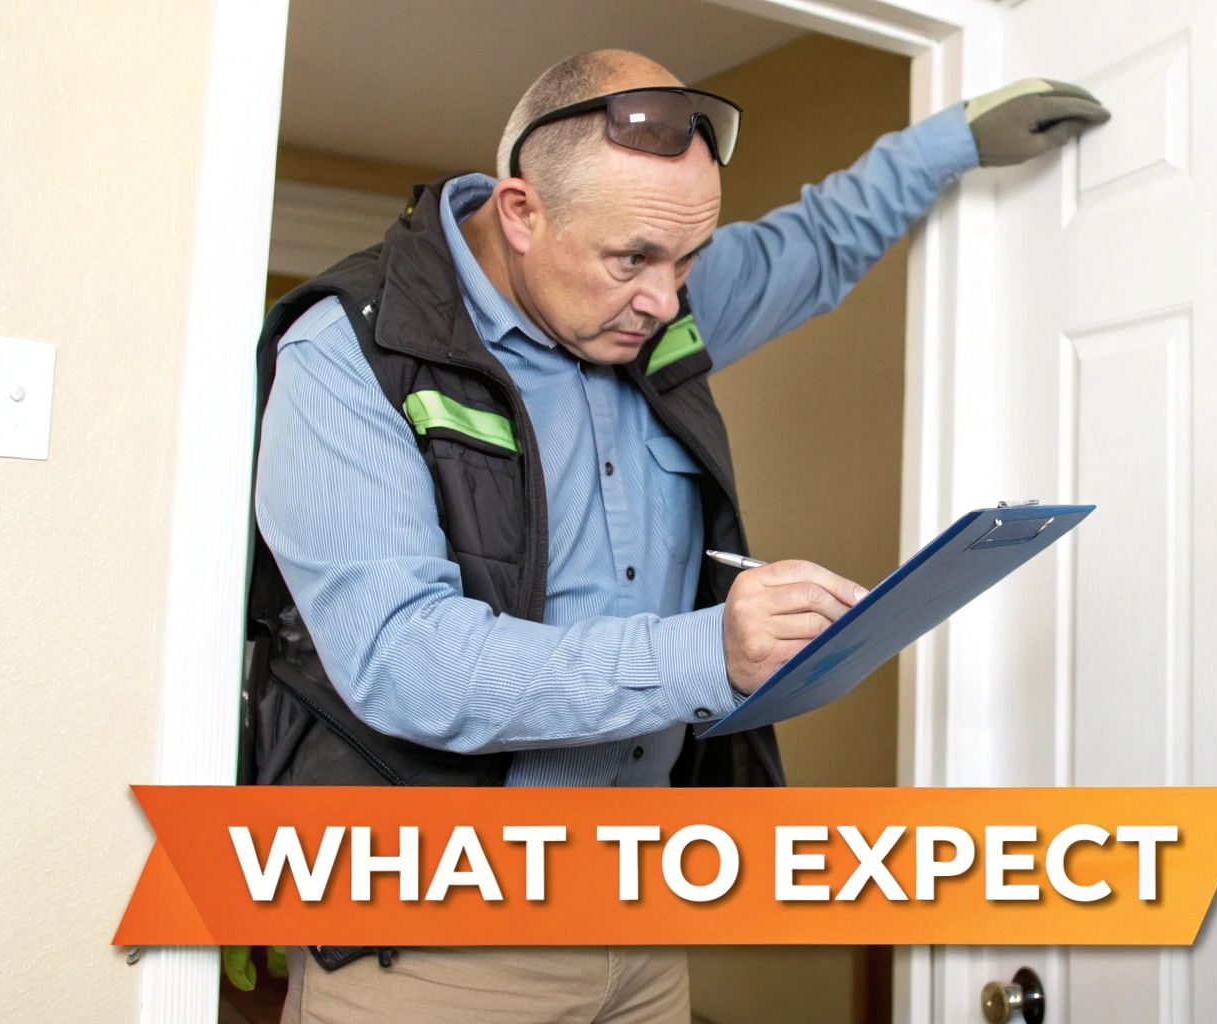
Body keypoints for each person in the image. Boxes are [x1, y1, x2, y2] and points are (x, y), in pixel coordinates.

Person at [249, 48, 1107, 1023]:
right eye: (633, 261)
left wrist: (952, 140)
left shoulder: (644, 297)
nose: (665, 298)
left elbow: (815, 242)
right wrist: (709, 649)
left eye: (688, 259)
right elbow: (405, 660)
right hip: (437, 937)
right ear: (522, 212)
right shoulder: (350, 353)